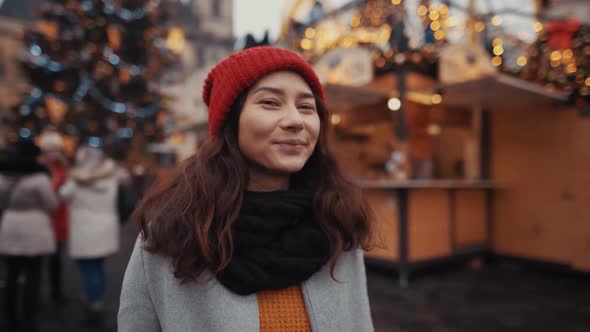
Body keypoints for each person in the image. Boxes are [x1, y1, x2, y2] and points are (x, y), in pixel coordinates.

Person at [118, 46, 375, 331]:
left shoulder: (338, 223)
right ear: (231, 123)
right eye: (270, 103)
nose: (295, 120)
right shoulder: (171, 233)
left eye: (306, 107)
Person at [0, 140, 58, 332]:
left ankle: (10, 318)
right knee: (34, 277)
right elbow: (51, 204)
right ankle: (28, 319)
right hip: (35, 228)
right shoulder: (39, 178)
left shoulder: (3, 177)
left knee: (11, 275)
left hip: (10, 225)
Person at [59, 145, 120, 323]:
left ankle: (94, 301)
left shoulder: (75, 181)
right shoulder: (110, 178)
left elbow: (62, 195)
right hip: (104, 229)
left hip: (83, 230)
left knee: (88, 268)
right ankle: (96, 298)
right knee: (98, 267)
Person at [39, 130, 69, 304]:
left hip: (59, 217)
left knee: (57, 258)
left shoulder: (60, 166)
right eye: (51, 150)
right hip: (45, 217)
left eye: (56, 149)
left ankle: (56, 292)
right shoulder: (42, 168)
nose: (54, 153)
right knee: (42, 257)